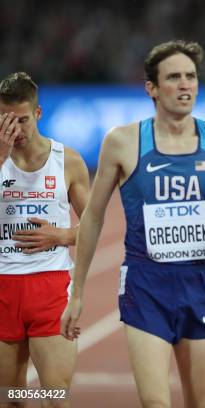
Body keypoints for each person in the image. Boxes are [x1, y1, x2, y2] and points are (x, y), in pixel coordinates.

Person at [60, 40, 205, 407]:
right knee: (155, 402)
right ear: (152, 89)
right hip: (146, 284)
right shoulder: (123, 142)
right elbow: (93, 216)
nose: (185, 84)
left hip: (200, 281)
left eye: (191, 76)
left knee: (202, 402)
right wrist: (76, 293)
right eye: (174, 77)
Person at [0, 72, 89, 406]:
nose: (16, 131)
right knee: (10, 399)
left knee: (54, 398)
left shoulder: (67, 161)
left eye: (22, 120)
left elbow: (95, 224)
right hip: (3, 288)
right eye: (6, 121)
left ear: (38, 114)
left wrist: (64, 234)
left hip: (48, 287)